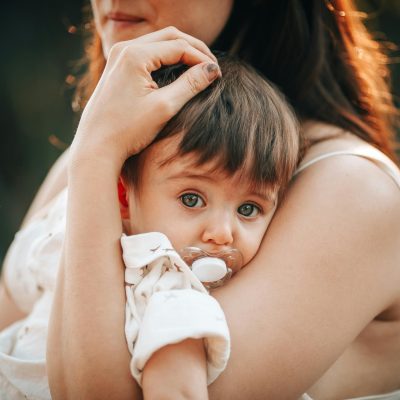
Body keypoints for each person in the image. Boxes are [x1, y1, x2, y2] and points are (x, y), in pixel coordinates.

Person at [1, 0, 400, 399]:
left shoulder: (350, 188)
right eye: (192, 198)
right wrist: (95, 150)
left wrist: (96, 156)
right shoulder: (98, 149)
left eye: (248, 209)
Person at [119, 57, 299, 393]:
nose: (222, 233)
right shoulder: (79, 238)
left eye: (248, 208)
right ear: (124, 195)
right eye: (191, 199)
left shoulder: (177, 299)